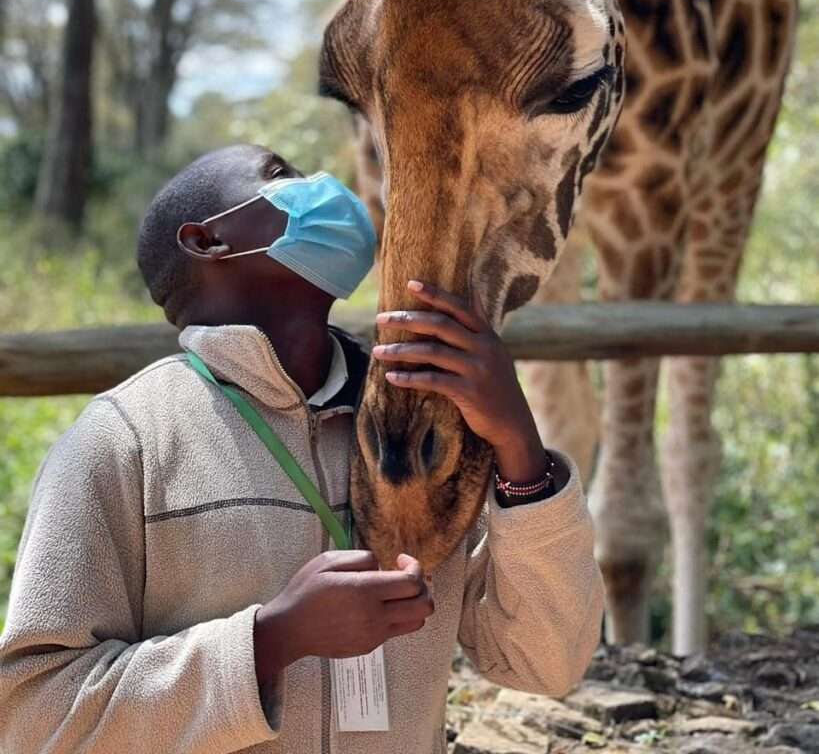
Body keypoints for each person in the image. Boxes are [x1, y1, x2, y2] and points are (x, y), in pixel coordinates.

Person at [0, 143, 604, 754]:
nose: (324, 188)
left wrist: (518, 446)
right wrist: (270, 641)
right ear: (207, 242)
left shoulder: (425, 427)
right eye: (280, 175)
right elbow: (32, 716)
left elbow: (544, 665)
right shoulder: (121, 440)